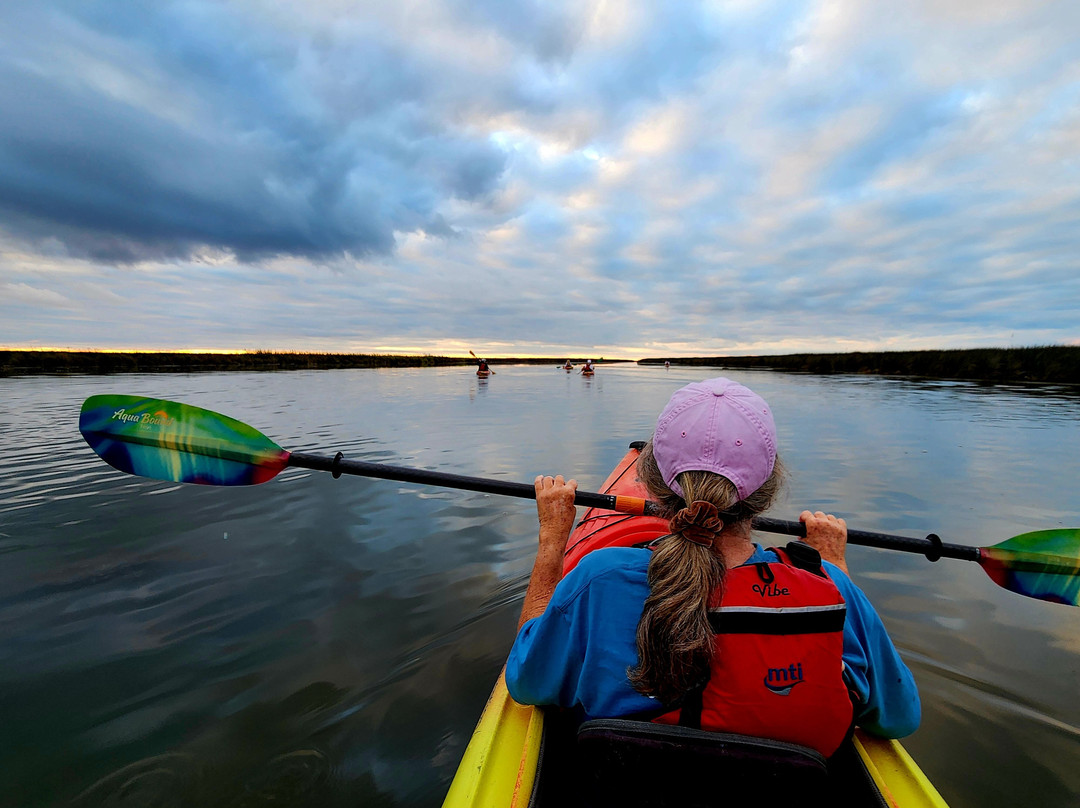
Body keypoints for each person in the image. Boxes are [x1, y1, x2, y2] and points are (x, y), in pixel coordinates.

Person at [505, 377, 919, 757]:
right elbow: (899, 719)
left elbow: (526, 682)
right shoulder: (833, 590)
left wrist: (552, 541)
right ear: (768, 489)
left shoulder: (600, 577)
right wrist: (834, 567)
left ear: (652, 481)